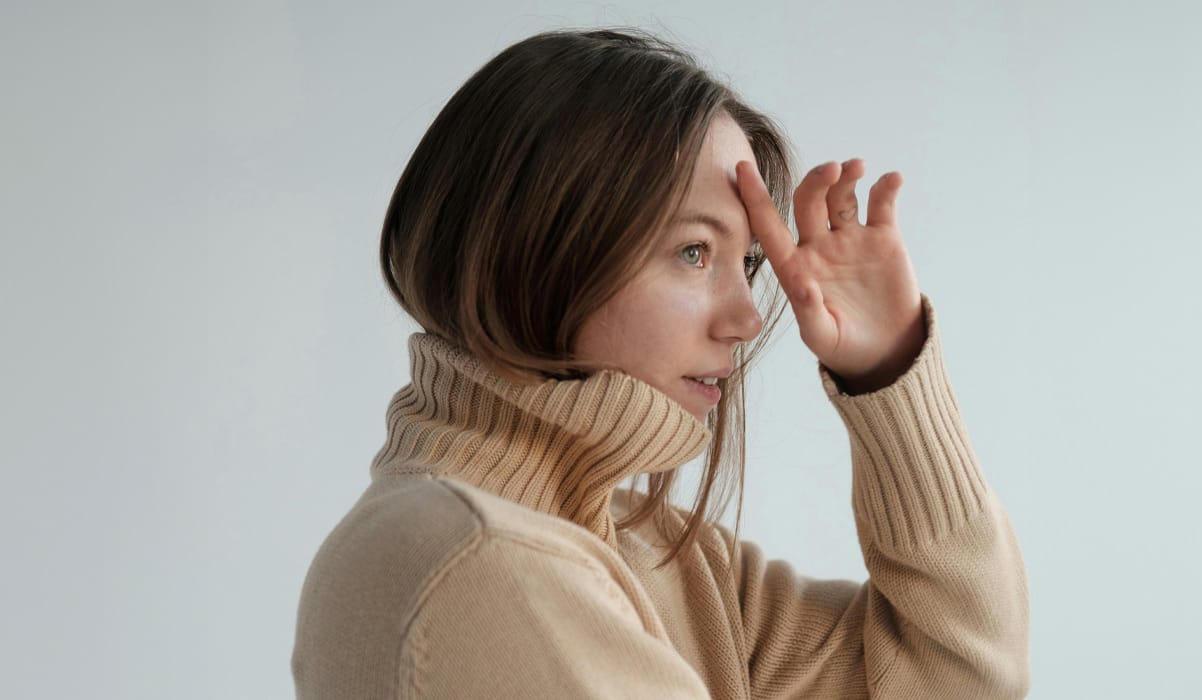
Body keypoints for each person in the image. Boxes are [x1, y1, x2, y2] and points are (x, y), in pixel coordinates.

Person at [291, 27, 1029, 699]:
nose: (746, 319)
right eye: (692, 252)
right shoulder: (478, 561)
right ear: (539, 251)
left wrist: (889, 370)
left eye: (746, 262)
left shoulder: (662, 554)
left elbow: (962, 678)